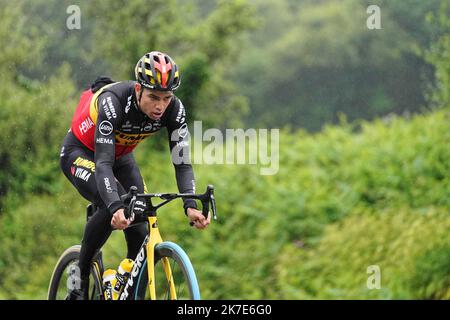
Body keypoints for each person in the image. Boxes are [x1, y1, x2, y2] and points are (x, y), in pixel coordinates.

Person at [59, 51, 210, 300]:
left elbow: (182, 164)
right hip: (82, 152)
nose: (160, 106)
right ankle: (80, 277)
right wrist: (115, 205)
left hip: (120, 156)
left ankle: (123, 282)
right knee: (113, 202)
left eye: (166, 97)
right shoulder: (113, 101)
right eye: (153, 97)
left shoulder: (175, 110)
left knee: (141, 216)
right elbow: (103, 162)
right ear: (138, 89)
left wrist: (190, 205)